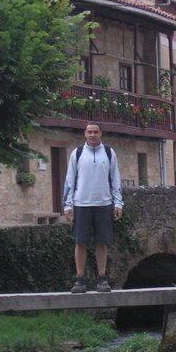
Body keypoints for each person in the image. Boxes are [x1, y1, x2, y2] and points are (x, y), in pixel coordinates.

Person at [64, 123, 123, 293]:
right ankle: (80, 279)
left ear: (100, 134)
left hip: (104, 204)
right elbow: (70, 180)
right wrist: (68, 204)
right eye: (89, 132)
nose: (92, 135)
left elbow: (115, 180)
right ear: (85, 133)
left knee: (101, 242)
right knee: (80, 241)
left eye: (95, 132)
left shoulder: (109, 153)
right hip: (81, 204)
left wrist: (118, 203)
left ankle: (102, 278)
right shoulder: (77, 153)